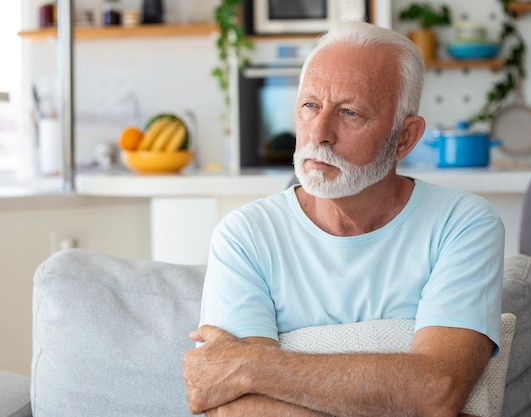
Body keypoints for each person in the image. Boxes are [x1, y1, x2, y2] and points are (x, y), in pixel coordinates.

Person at [184, 21, 504, 417]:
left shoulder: (463, 224)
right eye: (310, 105)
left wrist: (252, 365)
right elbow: (234, 409)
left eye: (350, 112)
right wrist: (395, 387)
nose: (319, 133)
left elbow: (437, 390)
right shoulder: (245, 235)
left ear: (404, 137)